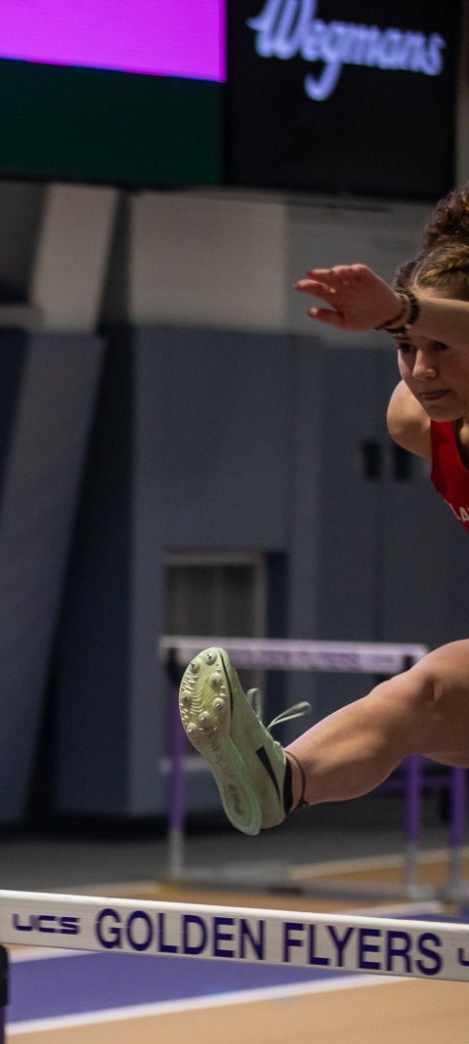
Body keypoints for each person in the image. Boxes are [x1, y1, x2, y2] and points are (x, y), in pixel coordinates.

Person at [181, 185, 469, 833]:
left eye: (441, 346)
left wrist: (400, 310)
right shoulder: (415, 422)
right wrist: (411, 319)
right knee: (416, 696)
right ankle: (282, 778)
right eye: (407, 348)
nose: (422, 370)